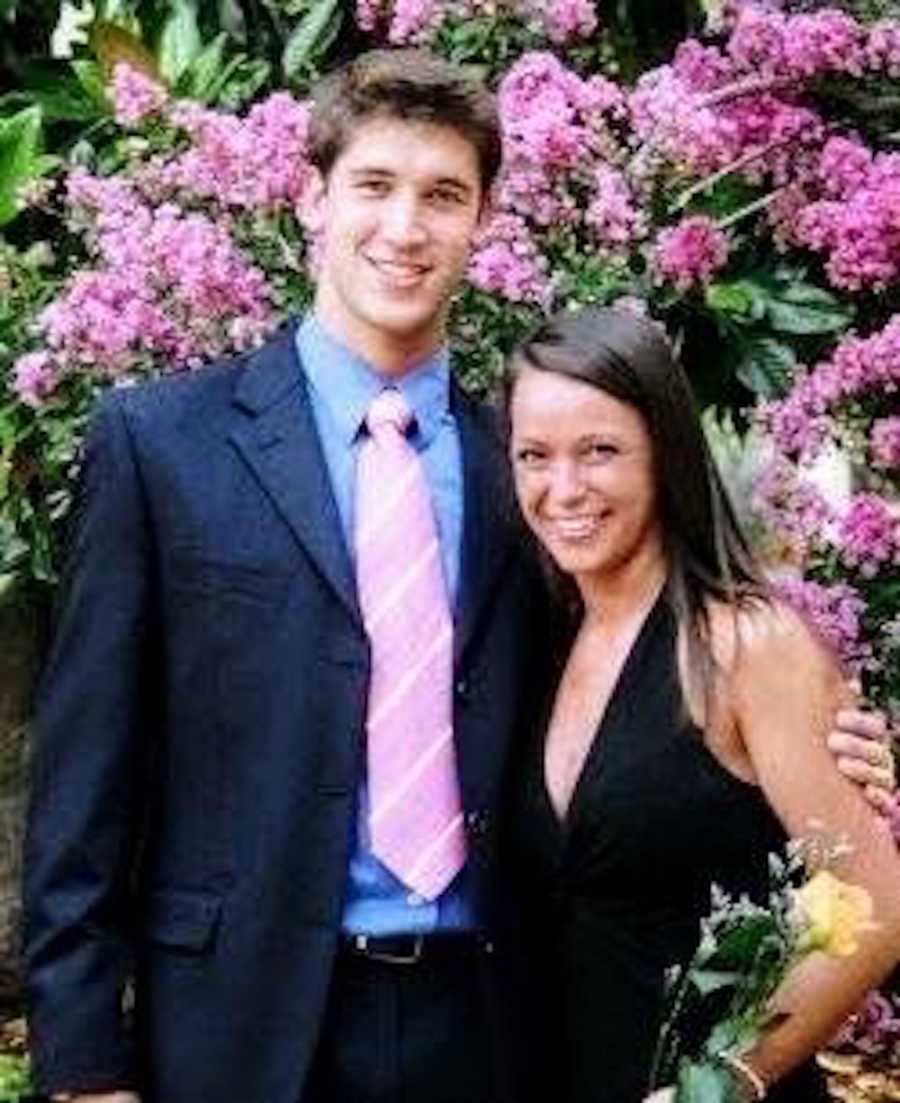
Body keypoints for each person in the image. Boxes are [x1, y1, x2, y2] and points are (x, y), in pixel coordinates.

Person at [22, 48, 893, 1103]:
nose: (406, 227)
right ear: (311, 198)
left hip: (498, 1017)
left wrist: (830, 746)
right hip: (241, 1020)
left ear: (482, 222)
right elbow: (85, 775)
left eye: (444, 195)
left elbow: (640, 691)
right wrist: (80, 1063)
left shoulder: (527, 473)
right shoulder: (160, 445)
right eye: (374, 186)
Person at [503, 306, 900, 1103]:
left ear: (665, 454)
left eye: (601, 451)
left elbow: (877, 913)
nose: (564, 488)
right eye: (534, 456)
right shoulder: (540, 639)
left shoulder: (746, 644)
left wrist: (711, 1087)